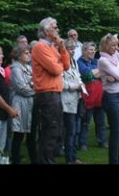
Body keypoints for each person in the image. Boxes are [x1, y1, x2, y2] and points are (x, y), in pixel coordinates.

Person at [31, 16, 71, 164]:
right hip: (47, 94)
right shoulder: (40, 47)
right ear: (47, 31)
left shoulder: (52, 47)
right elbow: (56, 70)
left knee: (56, 131)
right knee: (50, 131)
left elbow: (66, 66)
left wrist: (62, 48)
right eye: (55, 27)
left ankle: (47, 160)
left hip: (54, 93)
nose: (58, 29)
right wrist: (58, 63)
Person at [98, 33, 119, 164]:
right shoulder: (103, 60)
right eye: (113, 46)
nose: (116, 48)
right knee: (116, 131)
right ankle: (114, 161)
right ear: (106, 46)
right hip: (111, 96)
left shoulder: (115, 57)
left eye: (117, 45)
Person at [9, 44, 37, 164]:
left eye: (29, 52)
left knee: (32, 133)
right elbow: (22, 88)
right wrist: (35, 89)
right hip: (20, 104)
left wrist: (32, 85)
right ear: (19, 55)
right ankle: (16, 160)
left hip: (30, 103)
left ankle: (34, 159)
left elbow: (36, 82)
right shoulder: (16, 69)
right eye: (26, 53)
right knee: (19, 134)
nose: (29, 55)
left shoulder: (28, 68)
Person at [77, 41, 106, 149]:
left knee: (101, 120)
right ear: (84, 51)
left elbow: (104, 72)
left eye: (94, 50)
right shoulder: (79, 62)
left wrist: (95, 73)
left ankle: (102, 141)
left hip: (99, 95)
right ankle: (83, 143)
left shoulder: (96, 61)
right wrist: (98, 72)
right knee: (85, 121)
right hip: (87, 96)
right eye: (90, 49)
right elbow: (87, 74)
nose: (93, 52)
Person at [61, 39, 84, 164]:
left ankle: (74, 157)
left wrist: (81, 85)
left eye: (73, 49)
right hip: (67, 101)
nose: (73, 51)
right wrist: (75, 86)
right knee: (70, 130)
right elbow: (61, 83)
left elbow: (78, 77)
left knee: (76, 130)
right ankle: (69, 158)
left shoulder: (74, 62)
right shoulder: (60, 63)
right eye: (70, 49)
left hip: (77, 98)